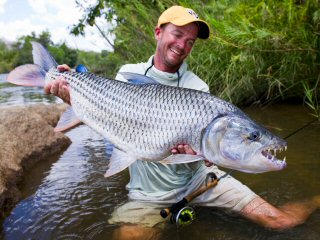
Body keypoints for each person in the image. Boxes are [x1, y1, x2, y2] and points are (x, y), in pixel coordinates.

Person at [45, 5, 320, 239]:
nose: (183, 45)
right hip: (149, 194)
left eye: (190, 41)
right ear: (158, 32)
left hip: (203, 181)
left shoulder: (198, 88)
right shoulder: (128, 74)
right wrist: (74, 94)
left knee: (283, 222)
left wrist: (208, 158)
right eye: (178, 35)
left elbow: (211, 152)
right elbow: (109, 118)